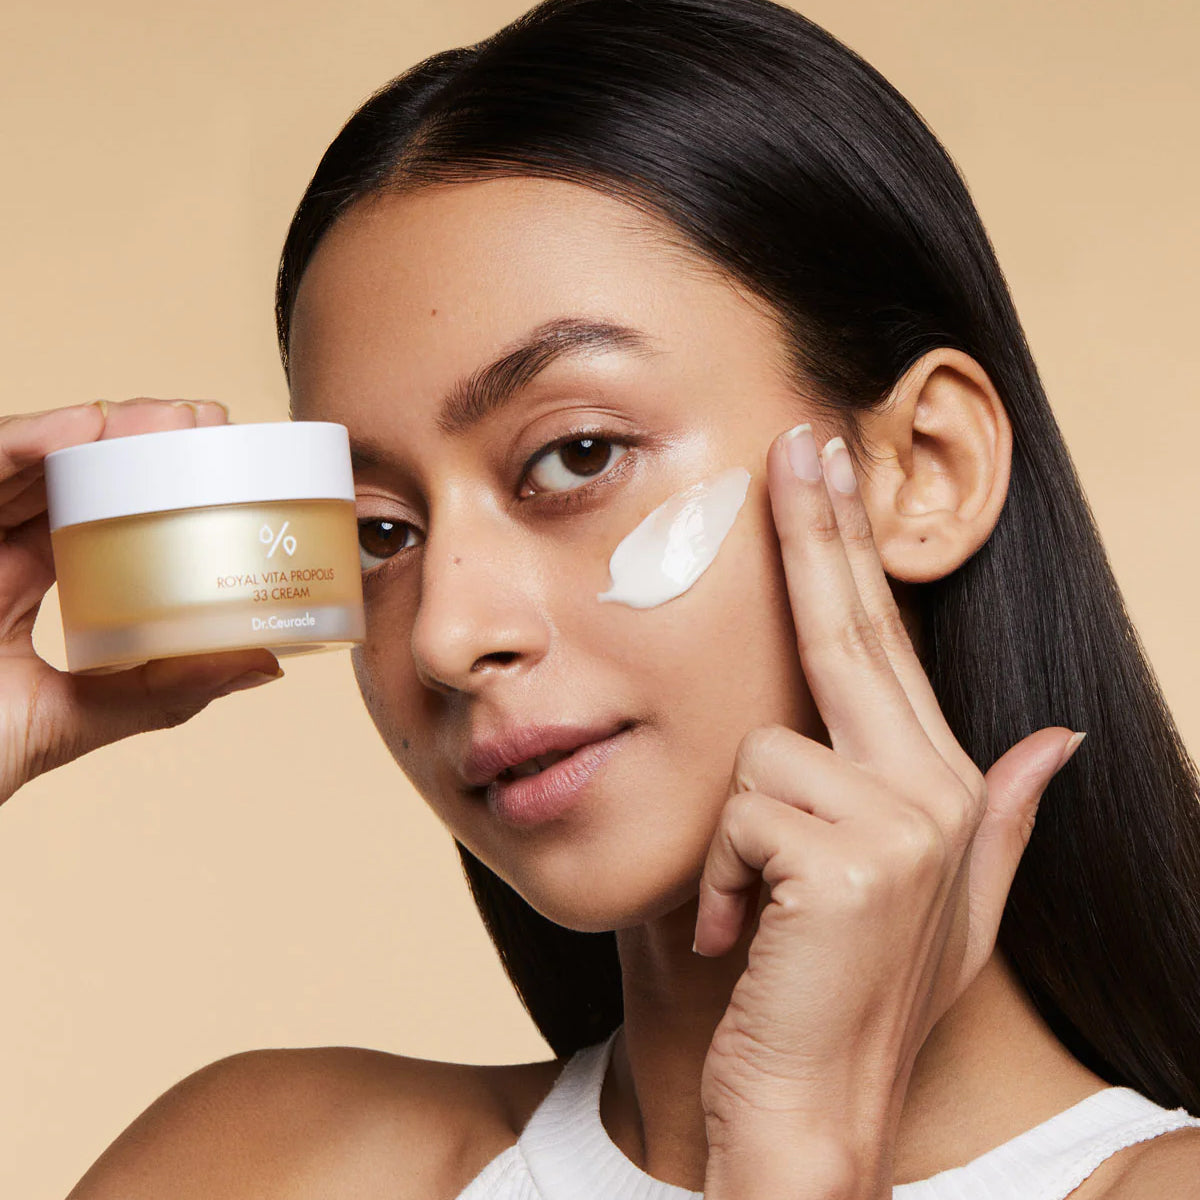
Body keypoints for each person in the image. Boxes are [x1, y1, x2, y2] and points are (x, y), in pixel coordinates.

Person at [3, 0, 1198, 1195]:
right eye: (379, 531)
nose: (447, 633)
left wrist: (800, 1148)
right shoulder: (265, 1164)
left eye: (576, 457)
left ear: (923, 471)